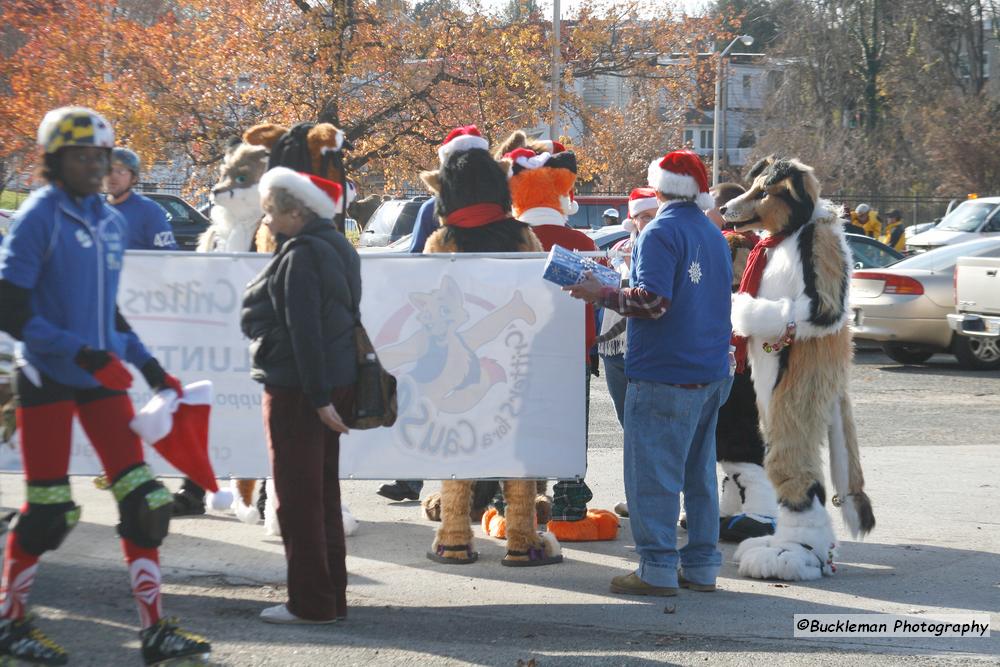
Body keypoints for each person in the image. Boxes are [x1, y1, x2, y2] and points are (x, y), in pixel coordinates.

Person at [0, 106, 210, 665]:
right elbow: (11, 307)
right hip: (46, 376)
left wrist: (151, 368)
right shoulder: (40, 216)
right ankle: (11, 623)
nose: (96, 166)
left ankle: (155, 630)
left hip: (100, 378)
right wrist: (80, 352)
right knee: (50, 512)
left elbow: (108, 314)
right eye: (83, 156)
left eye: (103, 156)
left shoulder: (110, 222)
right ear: (54, 160)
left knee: (145, 501)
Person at [564, 149, 732, 596]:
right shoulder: (712, 232)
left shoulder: (659, 230)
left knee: (652, 478)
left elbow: (653, 303)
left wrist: (600, 293)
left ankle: (656, 568)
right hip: (710, 370)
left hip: (665, 371)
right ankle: (701, 567)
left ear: (658, 188)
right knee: (699, 478)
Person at [240, 166, 358, 624]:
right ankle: (331, 598)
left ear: (295, 211)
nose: (265, 221)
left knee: (295, 498)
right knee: (323, 494)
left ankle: (309, 603)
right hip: (326, 386)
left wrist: (316, 396)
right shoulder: (338, 246)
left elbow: (304, 331)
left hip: (298, 391)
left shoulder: (302, 254)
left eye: (270, 212)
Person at [105, 147, 177, 251]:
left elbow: (167, 256)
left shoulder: (149, 211)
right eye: (108, 170)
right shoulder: (92, 208)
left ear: (134, 178)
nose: (113, 175)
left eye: (121, 171)